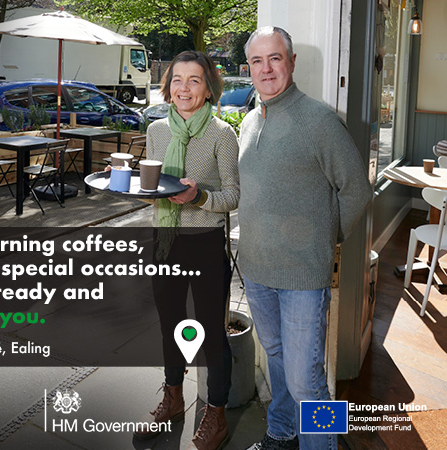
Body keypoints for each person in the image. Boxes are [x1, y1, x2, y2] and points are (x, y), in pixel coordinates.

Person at [238, 27, 373, 450]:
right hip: (256, 270)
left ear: (291, 62)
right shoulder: (248, 121)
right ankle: (281, 431)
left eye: (275, 58)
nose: (266, 68)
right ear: (249, 68)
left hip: (302, 277)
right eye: (257, 61)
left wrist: (324, 239)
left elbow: (356, 189)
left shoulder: (319, 120)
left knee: (307, 379)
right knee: (277, 361)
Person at [132, 50, 240, 450]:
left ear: (209, 88)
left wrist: (197, 198)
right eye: (177, 79)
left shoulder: (221, 134)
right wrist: (139, 189)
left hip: (205, 245)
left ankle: (216, 412)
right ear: (168, 86)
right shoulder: (157, 130)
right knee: (171, 325)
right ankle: (173, 397)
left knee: (212, 333)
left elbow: (232, 197)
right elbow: (154, 186)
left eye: (194, 80)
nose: (184, 88)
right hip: (163, 241)